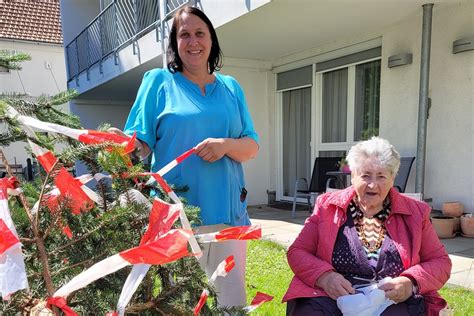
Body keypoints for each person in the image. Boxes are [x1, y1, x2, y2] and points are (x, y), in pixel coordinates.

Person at [113, 5, 259, 308]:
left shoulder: (231, 88)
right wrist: (112, 153)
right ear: (175, 44)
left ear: (211, 40)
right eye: (184, 35)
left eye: (199, 33)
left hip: (228, 216)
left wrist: (224, 145)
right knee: (179, 303)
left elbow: (251, 147)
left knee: (230, 303)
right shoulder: (158, 82)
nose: (193, 42)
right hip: (176, 218)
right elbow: (138, 144)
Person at [282, 137, 451, 316]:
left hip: (390, 300)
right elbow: (298, 251)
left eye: (381, 176)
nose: (372, 184)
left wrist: (410, 282)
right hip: (332, 295)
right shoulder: (327, 206)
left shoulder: (417, 212)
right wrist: (325, 277)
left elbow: (440, 262)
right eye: (365, 175)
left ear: (392, 178)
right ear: (353, 176)